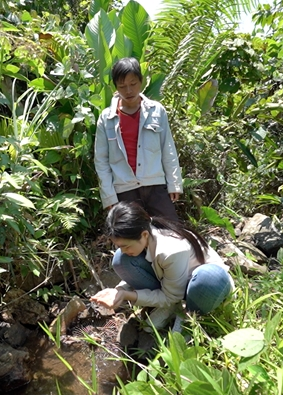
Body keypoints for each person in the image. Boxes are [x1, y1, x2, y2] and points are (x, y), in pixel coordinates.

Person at [91, 201, 234, 332]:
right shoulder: (147, 235)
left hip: (208, 286)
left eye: (126, 246)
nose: (123, 250)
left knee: (208, 278)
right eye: (119, 246)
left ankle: (190, 314)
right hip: (175, 284)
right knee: (120, 259)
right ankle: (173, 305)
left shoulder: (170, 250)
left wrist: (127, 295)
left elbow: (171, 292)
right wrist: (120, 290)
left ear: (144, 234)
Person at [94, 57, 183, 221]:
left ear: (141, 82)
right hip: (124, 189)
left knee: (172, 234)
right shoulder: (106, 118)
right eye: (122, 86)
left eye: (133, 84)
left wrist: (174, 183)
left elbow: (167, 148)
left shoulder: (157, 111)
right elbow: (101, 160)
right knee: (133, 239)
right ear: (115, 86)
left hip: (155, 185)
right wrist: (109, 196)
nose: (128, 90)